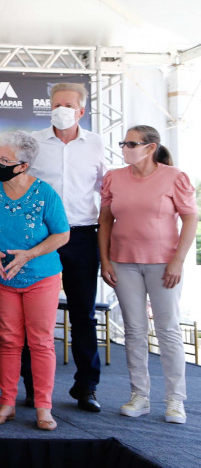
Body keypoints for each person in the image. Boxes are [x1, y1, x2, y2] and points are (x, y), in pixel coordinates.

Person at [0, 131, 70, 431]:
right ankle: (7, 403)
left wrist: (30, 254)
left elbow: (63, 234)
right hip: (1, 277)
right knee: (9, 341)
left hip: (41, 277)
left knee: (41, 342)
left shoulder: (46, 193)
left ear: (23, 165)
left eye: (3, 160)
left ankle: (43, 407)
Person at [99, 126, 197, 425]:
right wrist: (105, 260)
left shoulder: (174, 176)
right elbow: (105, 221)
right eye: (123, 143)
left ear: (150, 147)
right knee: (134, 330)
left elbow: (190, 218)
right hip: (123, 262)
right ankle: (139, 396)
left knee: (167, 330)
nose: (125, 148)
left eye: (131, 143)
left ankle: (175, 400)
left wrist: (177, 261)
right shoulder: (114, 177)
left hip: (164, 264)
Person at [27, 82, 106, 412]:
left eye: (68, 105)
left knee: (83, 314)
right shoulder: (33, 142)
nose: (60, 110)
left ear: (81, 111)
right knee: (34, 316)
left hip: (82, 235)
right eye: (56, 105)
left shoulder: (96, 144)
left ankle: (87, 387)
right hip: (40, 237)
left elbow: (105, 190)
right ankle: (33, 388)